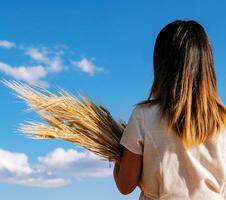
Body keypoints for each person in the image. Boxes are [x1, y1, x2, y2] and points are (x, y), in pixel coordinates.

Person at [113, 19, 226, 200]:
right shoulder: (223, 119)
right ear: (208, 65)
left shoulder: (143, 116)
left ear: (161, 65)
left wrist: (117, 155)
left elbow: (125, 185)